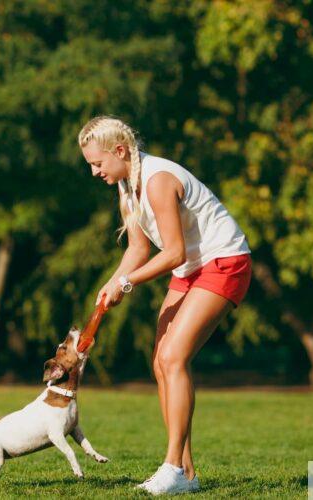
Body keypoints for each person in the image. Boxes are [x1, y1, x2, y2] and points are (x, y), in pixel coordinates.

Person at [78, 116, 253, 495]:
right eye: (91, 164)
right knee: (161, 360)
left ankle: (172, 466)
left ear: (120, 151)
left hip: (224, 262)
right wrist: (112, 282)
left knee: (174, 357)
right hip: (191, 268)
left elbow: (174, 253)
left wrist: (127, 282)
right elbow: (139, 249)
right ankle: (186, 474)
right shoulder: (127, 186)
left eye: (98, 163)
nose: (94, 172)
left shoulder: (157, 180)